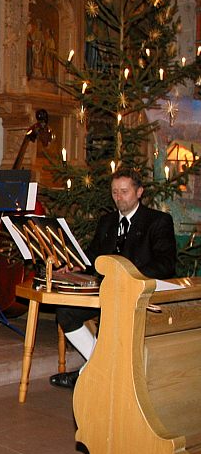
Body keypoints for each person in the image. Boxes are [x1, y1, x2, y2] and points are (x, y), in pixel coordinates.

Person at [50, 167, 177, 389]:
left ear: (139, 192)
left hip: (137, 292)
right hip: (105, 291)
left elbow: (165, 264)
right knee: (65, 312)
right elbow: (92, 257)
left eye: (124, 191)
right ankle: (98, 367)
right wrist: (75, 266)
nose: (118, 197)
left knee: (110, 313)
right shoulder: (107, 221)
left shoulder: (158, 221)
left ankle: (87, 373)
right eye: (115, 192)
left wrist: (129, 276)